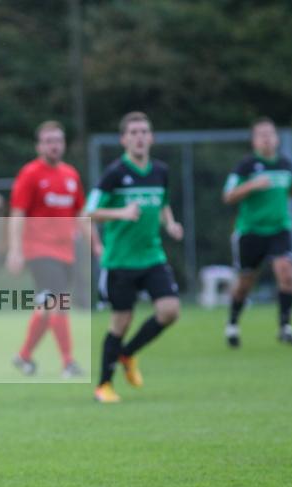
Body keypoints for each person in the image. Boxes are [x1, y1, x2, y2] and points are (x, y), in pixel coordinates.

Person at [85, 112, 183, 403]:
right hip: (120, 261)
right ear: (124, 139)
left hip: (152, 256)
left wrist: (171, 223)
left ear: (151, 138)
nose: (140, 137)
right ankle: (103, 385)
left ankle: (127, 354)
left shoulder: (161, 171)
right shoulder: (115, 173)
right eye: (134, 132)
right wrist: (121, 213)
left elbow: (163, 203)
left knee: (170, 311)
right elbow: (89, 211)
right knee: (121, 322)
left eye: (144, 132)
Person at [6, 121, 100, 378]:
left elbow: (81, 213)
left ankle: (24, 356)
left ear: (64, 144)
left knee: (48, 307)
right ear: (39, 145)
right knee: (59, 303)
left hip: (66, 253)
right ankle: (69, 363)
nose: (54, 145)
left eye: (58, 140)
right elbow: (18, 214)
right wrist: (15, 250)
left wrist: (95, 242)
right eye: (49, 141)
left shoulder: (71, 175)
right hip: (39, 252)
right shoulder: (30, 174)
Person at [222, 117, 292, 347]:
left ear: (277, 138)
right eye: (261, 135)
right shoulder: (246, 166)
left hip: (279, 228)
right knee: (245, 284)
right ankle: (232, 324)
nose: (267, 139)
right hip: (250, 232)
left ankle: (285, 326)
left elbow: (290, 193)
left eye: (270, 134)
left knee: (286, 273)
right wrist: (251, 185)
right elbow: (228, 196)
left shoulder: (285, 164)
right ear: (254, 141)